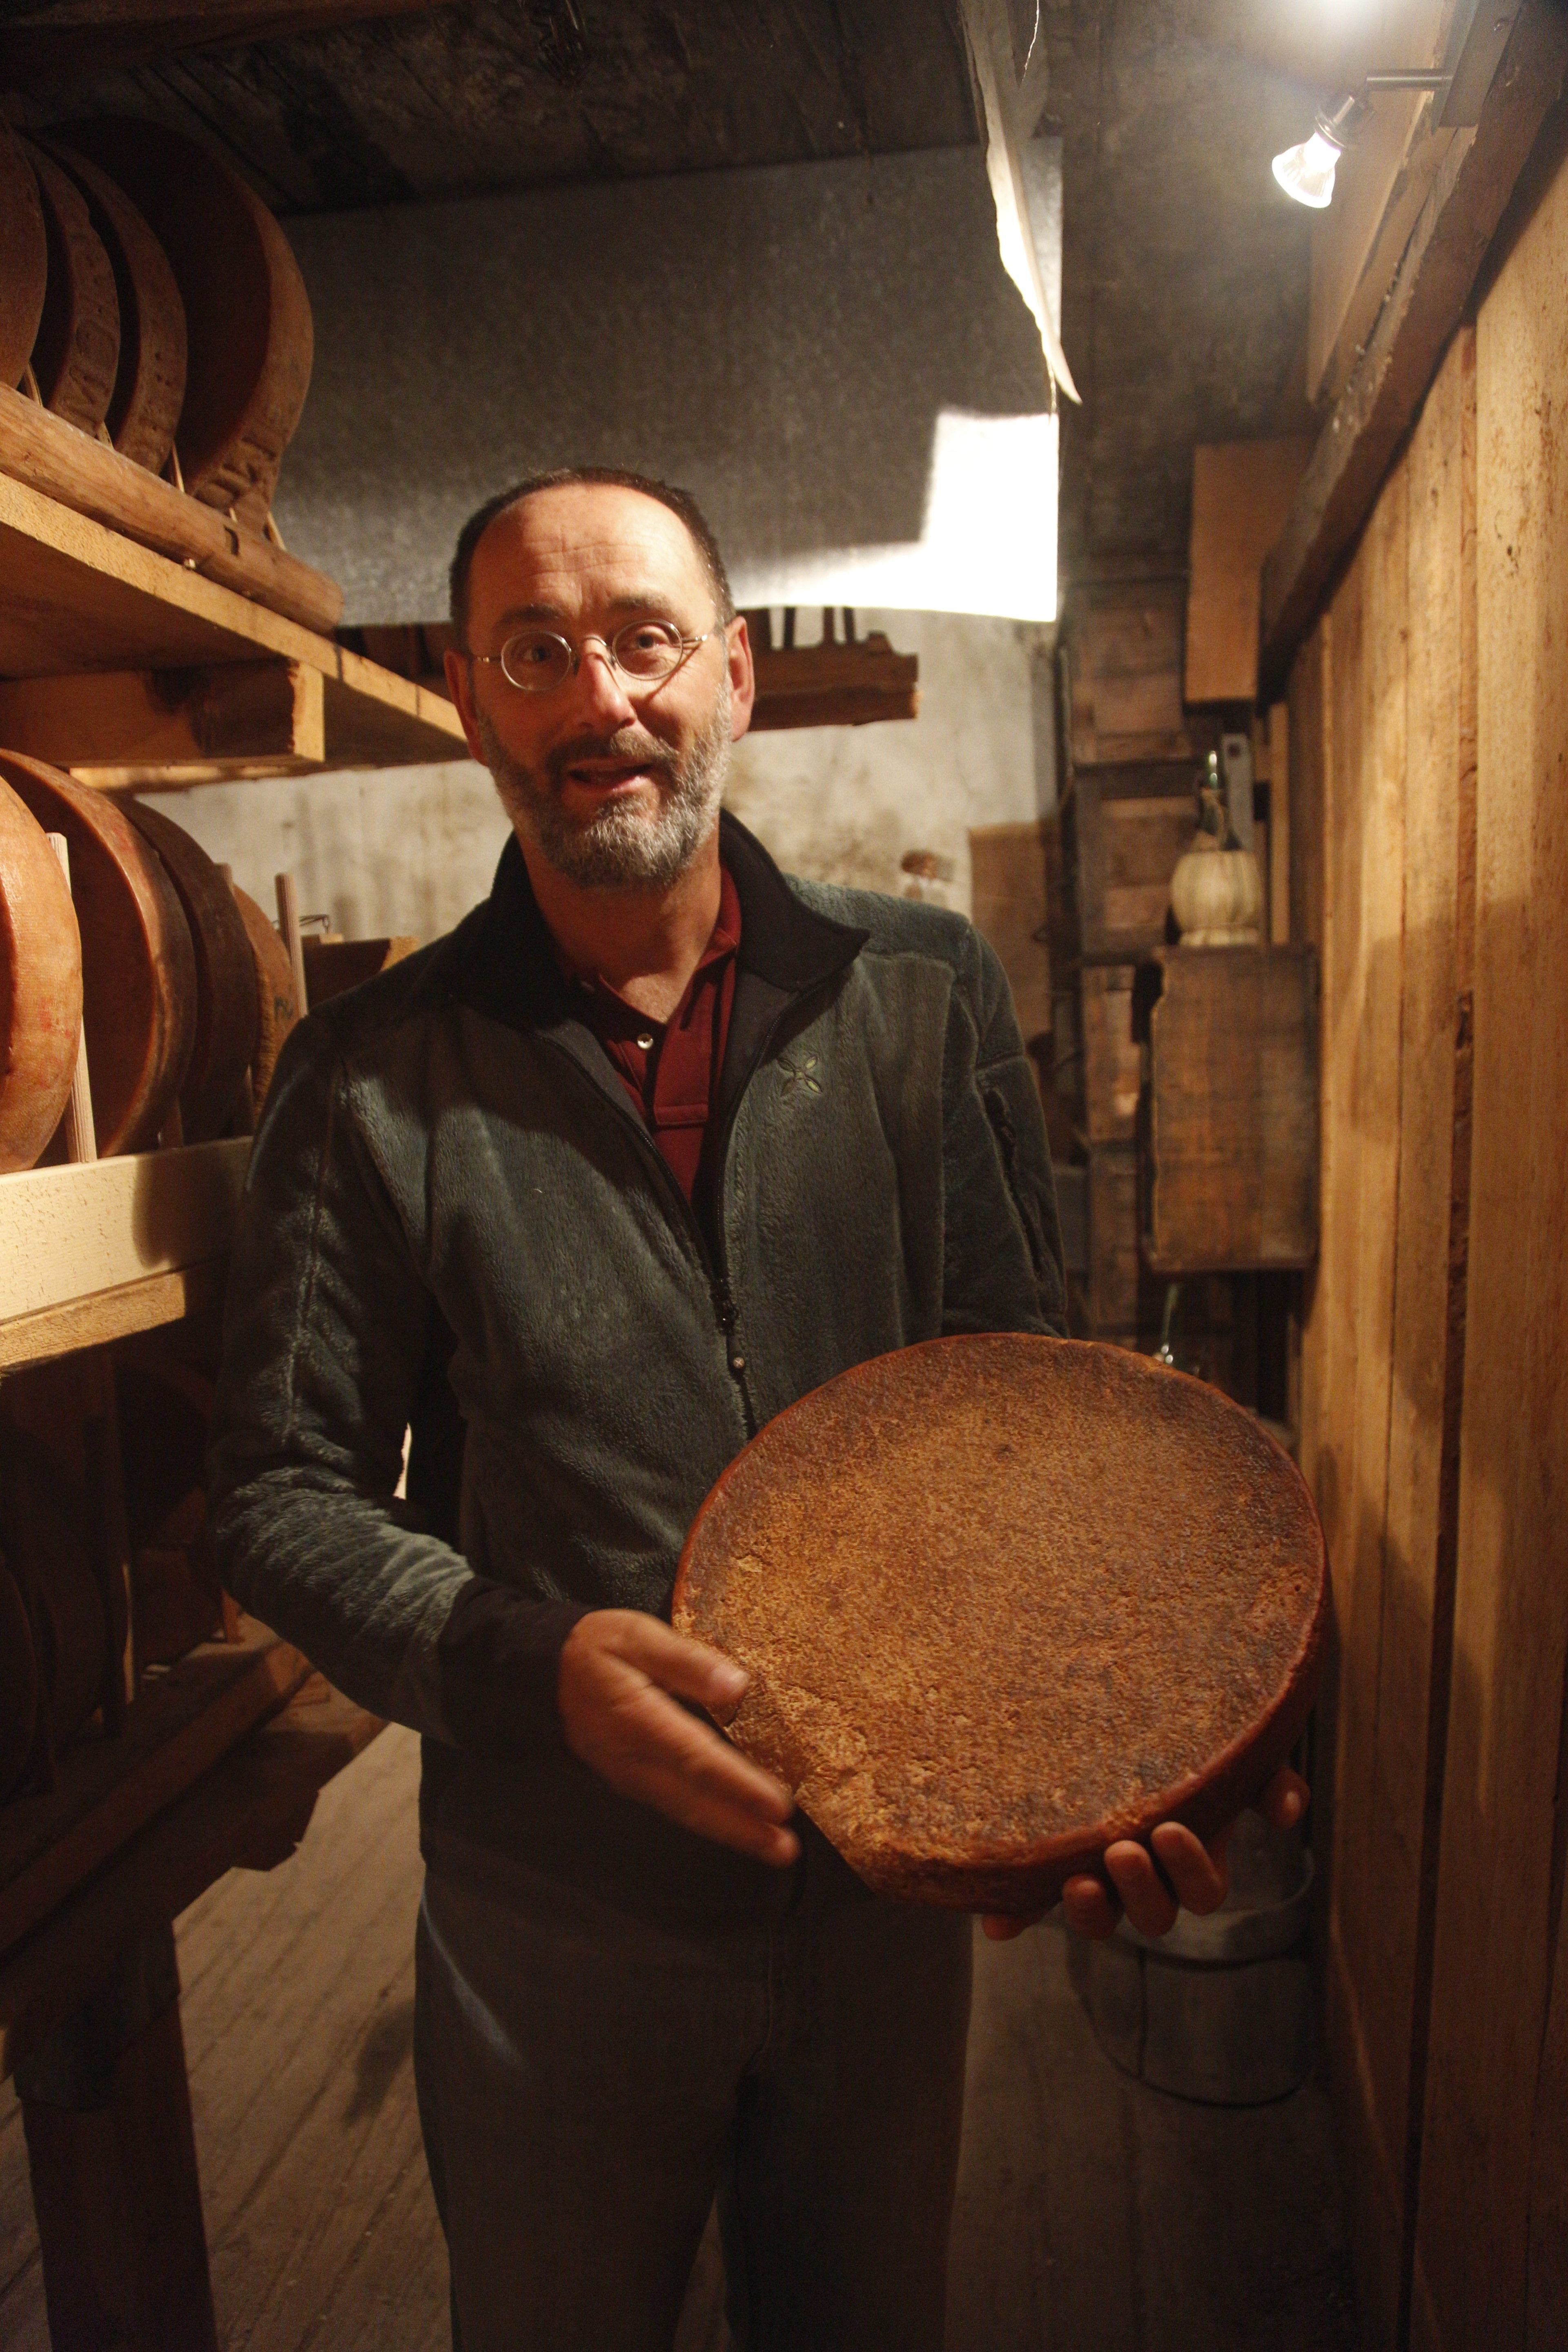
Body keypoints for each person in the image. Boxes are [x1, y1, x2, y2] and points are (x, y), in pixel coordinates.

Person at [209, 467, 1307, 2352]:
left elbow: (1014, 1434)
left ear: (732, 679)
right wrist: (522, 1658)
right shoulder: (377, 1073)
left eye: (643, 640)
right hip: (558, 1904)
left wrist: (1088, 1765)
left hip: (878, 1914)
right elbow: (280, 1489)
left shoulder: (917, 993)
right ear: (473, 703)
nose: (598, 698)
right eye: (536, 651)